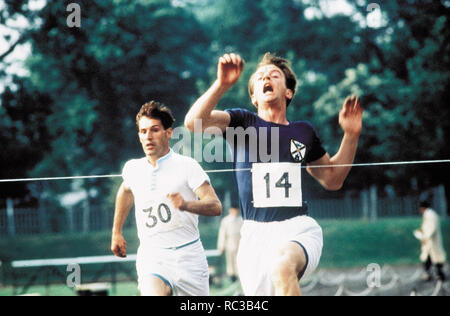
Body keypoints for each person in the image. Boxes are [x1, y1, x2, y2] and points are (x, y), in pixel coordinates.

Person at [184, 53, 363, 296]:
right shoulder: (242, 122)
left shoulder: (303, 131)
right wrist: (222, 85)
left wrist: (351, 136)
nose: (266, 77)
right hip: (255, 235)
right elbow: (194, 122)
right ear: (254, 97)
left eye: (274, 75)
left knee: (282, 266)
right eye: (259, 77)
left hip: (297, 228)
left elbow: (332, 179)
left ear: (288, 92)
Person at [111, 101, 222, 296]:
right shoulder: (132, 169)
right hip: (153, 255)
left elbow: (215, 206)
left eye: (154, 130)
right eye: (143, 131)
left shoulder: (188, 166)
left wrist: (186, 205)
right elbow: (126, 191)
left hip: (189, 256)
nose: (148, 137)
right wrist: (116, 232)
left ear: (168, 133)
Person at [414, 200, 446, 281]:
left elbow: (431, 228)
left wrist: (423, 236)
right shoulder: (429, 214)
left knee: (435, 258)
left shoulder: (430, 215)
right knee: (428, 259)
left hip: (431, 241)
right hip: (429, 242)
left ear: (422, 208)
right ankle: (432, 274)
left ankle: (439, 275)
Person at [217, 206, 243, 282]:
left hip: (239, 242)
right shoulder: (226, 220)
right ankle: (232, 277)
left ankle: (239, 276)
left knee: (238, 260)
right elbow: (222, 233)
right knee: (230, 261)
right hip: (230, 243)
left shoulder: (241, 220)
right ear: (231, 210)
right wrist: (221, 245)